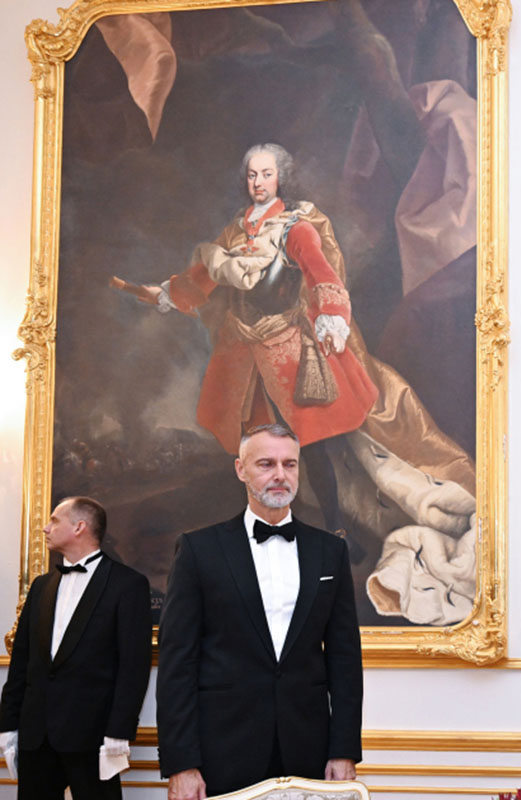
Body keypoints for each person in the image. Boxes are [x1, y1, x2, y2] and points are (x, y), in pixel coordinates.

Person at [142, 142, 475, 532]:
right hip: (246, 352)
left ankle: (336, 529)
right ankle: (276, 521)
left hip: (289, 350)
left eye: (266, 174)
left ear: (280, 178)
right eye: (252, 175)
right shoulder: (237, 229)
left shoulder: (295, 227)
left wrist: (331, 317)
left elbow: (321, 274)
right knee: (263, 442)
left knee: (315, 448)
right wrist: (169, 293)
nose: (258, 182)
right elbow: (204, 275)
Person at [157, 424, 362, 799]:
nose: (280, 475)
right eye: (266, 464)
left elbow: (344, 659)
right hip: (222, 750)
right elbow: (177, 664)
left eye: (290, 464)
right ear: (241, 469)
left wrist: (344, 750)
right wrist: (182, 763)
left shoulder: (330, 551)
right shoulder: (199, 550)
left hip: (309, 750)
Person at [0, 497, 151, 800]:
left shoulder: (128, 584)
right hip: (35, 737)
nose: (46, 528)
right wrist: (7, 725)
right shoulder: (41, 586)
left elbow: (133, 666)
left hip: (93, 737)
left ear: (79, 527)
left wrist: (119, 730)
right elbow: (22, 663)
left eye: (54, 520)